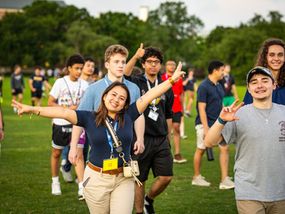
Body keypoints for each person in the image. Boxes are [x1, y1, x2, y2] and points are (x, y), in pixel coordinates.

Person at [12, 62, 185, 214]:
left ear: (126, 104)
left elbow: (150, 95)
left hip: (123, 179)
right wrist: (32, 109)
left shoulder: (130, 115)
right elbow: (63, 112)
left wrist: (171, 80)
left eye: (122, 98)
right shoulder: (89, 117)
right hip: (96, 179)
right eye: (113, 95)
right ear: (104, 96)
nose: (116, 100)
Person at [68, 45, 145, 200]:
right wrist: (73, 147)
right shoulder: (93, 89)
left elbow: (139, 115)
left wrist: (140, 138)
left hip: (124, 151)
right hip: (99, 152)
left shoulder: (133, 88)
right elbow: (78, 119)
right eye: (116, 61)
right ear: (107, 64)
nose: (121, 65)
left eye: (123, 62)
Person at [205, 66, 285, 214]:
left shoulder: (283, 112)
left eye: (264, 80)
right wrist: (221, 120)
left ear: (274, 85)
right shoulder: (238, 114)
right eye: (254, 82)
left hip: (281, 192)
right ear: (248, 88)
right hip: (249, 192)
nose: (259, 85)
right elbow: (208, 142)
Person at [125, 45, 174, 214]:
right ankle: (139, 211)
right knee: (140, 178)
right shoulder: (136, 81)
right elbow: (124, 74)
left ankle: (149, 199)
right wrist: (135, 56)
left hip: (161, 138)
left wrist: (169, 136)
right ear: (144, 64)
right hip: (141, 138)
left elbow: (168, 114)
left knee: (166, 177)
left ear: (160, 65)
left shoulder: (167, 84)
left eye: (156, 62)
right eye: (149, 62)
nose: (153, 65)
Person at [48, 54, 89, 196]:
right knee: (56, 153)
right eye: (76, 68)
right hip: (60, 123)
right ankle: (55, 182)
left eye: (81, 69)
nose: (79, 71)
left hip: (78, 124)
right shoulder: (60, 82)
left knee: (78, 154)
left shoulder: (85, 84)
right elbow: (50, 102)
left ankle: (82, 188)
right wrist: (66, 110)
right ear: (69, 68)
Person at [192, 60, 234, 189]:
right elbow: (201, 109)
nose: (223, 72)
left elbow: (220, 104)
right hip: (205, 124)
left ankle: (224, 179)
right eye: (222, 70)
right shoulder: (204, 86)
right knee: (201, 150)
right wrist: (206, 128)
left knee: (224, 148)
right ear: (215, 70)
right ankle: (196, 177)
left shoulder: (219, 85)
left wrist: (223, 117)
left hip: (218, 124)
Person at [60, 56, 96, 187]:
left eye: (92, 66)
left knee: (84, 148)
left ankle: (79, 176)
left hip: (87, 120)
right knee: (73, 145)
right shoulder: (75, 81)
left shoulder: (93, 83)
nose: (90, 68)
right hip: (73, 118)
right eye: (88, 65)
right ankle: (66, 165)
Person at [243, 38, 285, 104]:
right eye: (272, 55)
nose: (276, 58)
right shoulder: (257, 84)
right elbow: (248, 109)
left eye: (280, 55)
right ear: (265, 57)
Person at [162, 60, 187, 164]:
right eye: (169, 64)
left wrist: (182, 108)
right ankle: (166, 153)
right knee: (165, 131)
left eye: (173, 65)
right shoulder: (162, 78)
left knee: (176, 128)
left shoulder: (179, 79)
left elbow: (181, 94)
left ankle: (177, 154)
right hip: (164, 107)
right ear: (165, 66)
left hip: (176, 107)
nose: (171, 66)